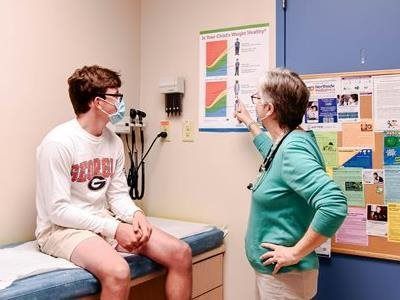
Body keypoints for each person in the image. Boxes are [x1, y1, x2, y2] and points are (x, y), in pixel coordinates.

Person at [35, 65, 192, 300]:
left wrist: (136, 215)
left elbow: (117, 195)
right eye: (116, 96)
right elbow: (58, 211)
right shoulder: (58, 143)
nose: (121, 101)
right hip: (61, 229)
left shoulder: (113, 141)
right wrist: (116, 229)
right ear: (97, 102)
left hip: (102, 220)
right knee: (118, 271)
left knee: (181, 253)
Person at [234, 68, 348, 300]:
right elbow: (273, 156)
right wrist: (249, 123)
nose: (255, 103)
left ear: (269, 109)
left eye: (257, 98)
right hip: (278, 276)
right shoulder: (290, 139)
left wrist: (295, 253)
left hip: (285, 278)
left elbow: (334, 204)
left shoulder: (291, 148)